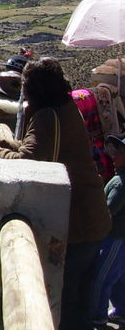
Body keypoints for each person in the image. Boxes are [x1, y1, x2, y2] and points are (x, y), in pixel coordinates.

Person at [0, 57, 111, 330]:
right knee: (81, 301)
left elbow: (29, 161)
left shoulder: (47, 116)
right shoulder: (64, 108)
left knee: (69, 305)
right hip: (91, 218)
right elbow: (33, 147)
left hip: (76, 223)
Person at [90, 135, 125, 328]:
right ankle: (122, 311)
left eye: (120, 152)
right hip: (120, 238)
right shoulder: (119, 179)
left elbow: (108, 211)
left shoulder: (121, 184)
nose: (115, 155)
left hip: (115, 238)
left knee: (102, 278)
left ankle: (97, 316)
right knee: (118, 278)